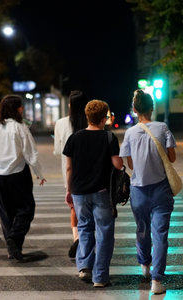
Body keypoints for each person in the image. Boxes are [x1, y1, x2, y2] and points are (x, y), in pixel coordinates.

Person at [119, 89, 177, 294]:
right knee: (160, 234)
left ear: (135, 110)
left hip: (139, 191)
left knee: (142, 230)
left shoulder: (130, 133)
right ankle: (157, 281)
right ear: (152, 108)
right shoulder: (163, 128)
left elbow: (131, 164)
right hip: (161, 189)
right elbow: (172, 158)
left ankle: (144, 265)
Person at [63, 100, 123, 288]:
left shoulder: (74, 138)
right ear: (104, 118)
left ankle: (84, 267)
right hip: (101, 192)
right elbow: (118, 165)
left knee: (85, 228)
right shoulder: (109, 138)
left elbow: (69, 168)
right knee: (105, 232)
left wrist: (68, 190)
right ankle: (100, 277)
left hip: (79, 193)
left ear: (87, 116)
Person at [0, 95, 46, 260]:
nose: (22, 109)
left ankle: (13, 249)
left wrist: (1, 160)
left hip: (0, 175)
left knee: (7, 213)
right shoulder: (20, 127)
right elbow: (31, 153)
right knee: (26, 209)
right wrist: (39, 173)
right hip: (19, 174)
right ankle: (14, 240)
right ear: (17, 109)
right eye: (21, 107)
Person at [53, 90, 89, 258]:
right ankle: (86, 238)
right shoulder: (90, 122)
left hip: (70, 173)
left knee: (74, 208)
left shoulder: (61, 123)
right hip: (90, 171)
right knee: (90, 208)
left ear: (71, 105)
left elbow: (58, 150)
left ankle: (76, 238)